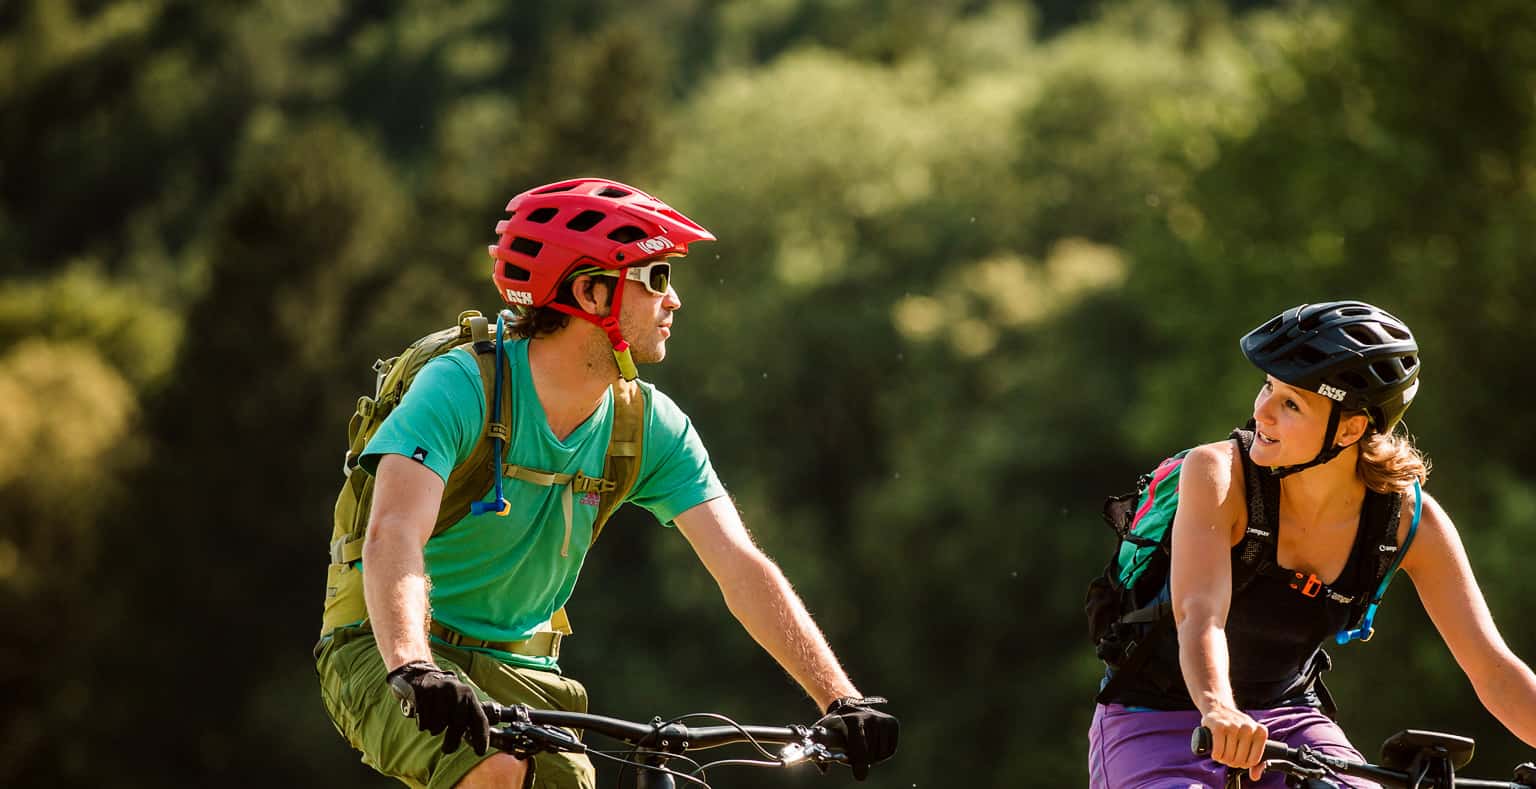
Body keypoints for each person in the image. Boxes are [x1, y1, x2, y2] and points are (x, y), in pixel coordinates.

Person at [315, 178, 898, 789]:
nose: (674, 302)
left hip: (525, 669)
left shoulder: (647, 426)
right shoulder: (464, 388)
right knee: (494, 770)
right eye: (657, 278)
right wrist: (415, 666)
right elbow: (394, 532)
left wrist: (839, 699)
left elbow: (739, 565)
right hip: (384, 652)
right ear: (592, 292)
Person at [1088, 300, 1536, 788]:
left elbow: (1493, 670)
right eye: (1268, 387)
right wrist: (1218, 708)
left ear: (1350, 428)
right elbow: (1200, 613)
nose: (1262, 410)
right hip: (1155, 718)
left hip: (1291, 723)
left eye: (1291, 403)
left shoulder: (1409, 521)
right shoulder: (1217, 474)